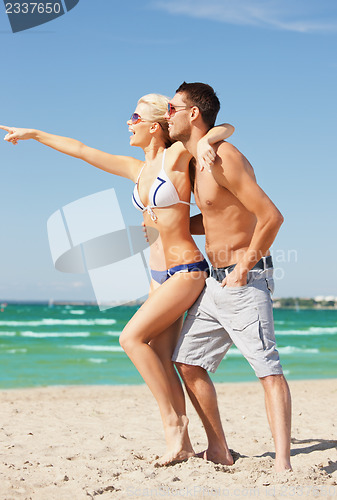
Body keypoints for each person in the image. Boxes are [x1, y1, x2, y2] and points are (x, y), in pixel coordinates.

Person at [0, 94, 234, 465]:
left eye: (134, 117)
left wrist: (206, 139)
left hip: (186, 270)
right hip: (158, 276)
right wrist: (34, 134)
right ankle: (186, 443)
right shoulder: (136, 169)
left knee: (130, 337)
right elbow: (80, 149)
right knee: (161, 356)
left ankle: (173, 423)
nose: (128, 123)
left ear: (155, 125)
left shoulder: (177, 157)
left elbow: (224, 128)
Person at [165, 82, 292, 471]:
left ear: (193, 114)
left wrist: (242, 269)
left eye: (173, 108)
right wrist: (176, 225)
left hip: (245, 279)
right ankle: (219, 449)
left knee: (267, 370)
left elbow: (271, 216)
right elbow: (219, 215)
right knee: (187, 361)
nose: (167, 115)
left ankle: (283, 464)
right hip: (214, 284)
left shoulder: (222, 156)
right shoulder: (197, 158)